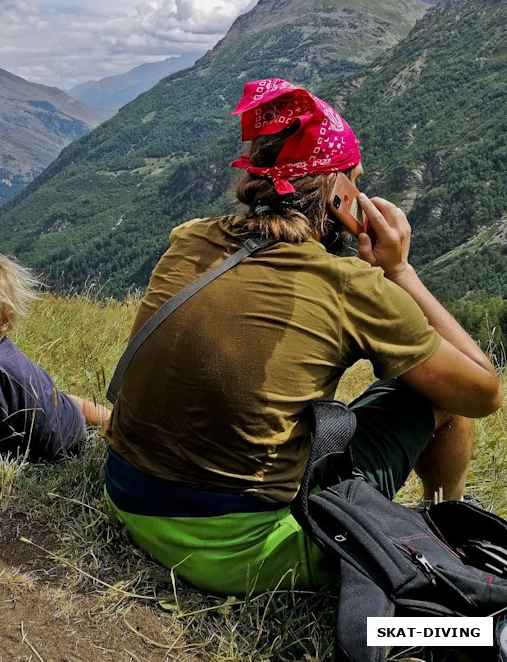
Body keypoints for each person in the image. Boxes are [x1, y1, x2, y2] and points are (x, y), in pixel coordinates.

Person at [104, 78, 501, 595]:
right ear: (337, 196)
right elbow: (484, 392)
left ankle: (441, 515)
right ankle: (446, 521)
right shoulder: (348, 285)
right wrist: (400, 272)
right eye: (355, 181)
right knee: (435, 389)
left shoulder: (190, 237)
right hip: (242, 555)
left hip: (128, 497)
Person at [0, 252, 111, 502]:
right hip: (67, 416)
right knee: (71, 402)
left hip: (56, 449)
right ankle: (112, 419)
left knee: (63, 404)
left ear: (4, 320)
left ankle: (111, 423)